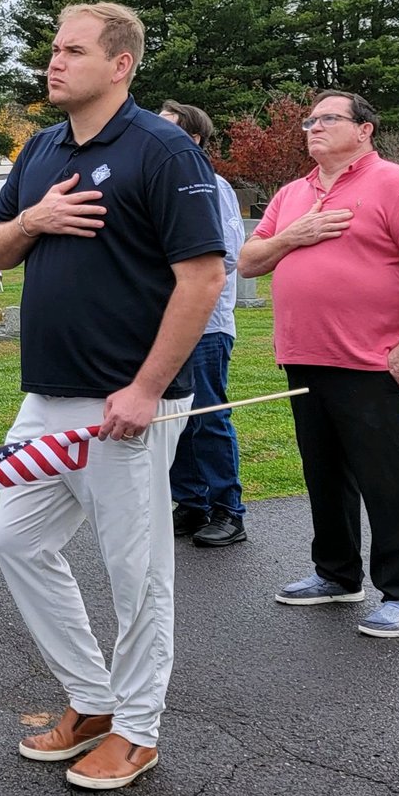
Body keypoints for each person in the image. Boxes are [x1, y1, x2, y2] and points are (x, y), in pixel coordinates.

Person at [0, 3, 225, 791]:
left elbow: (203, 277)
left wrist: (148, 387)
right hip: (46, 395)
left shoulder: (162, 148)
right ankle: (92, 698)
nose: (54, 62)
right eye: (52, 48)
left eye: (73, 50)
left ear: (120, 65)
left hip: (127, 404)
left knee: (136, 570)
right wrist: (36, 217)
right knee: (13, 538)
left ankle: (139, 728)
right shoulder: (43, 147)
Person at [239, 90, 399, 638]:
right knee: (324, 474)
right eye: (309, 120)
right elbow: (248, 261)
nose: (312, 127)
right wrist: (294, 235)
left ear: (365, 129)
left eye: (328, 119)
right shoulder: (291, 194)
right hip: (304, 355)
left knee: (386, 477)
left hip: (372, 360)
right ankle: (337, 574)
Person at [158, 101, 248, 547]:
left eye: (167, 129)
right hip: (162, 325)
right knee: (175, 416)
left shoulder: (212, 186)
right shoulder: (156, 184)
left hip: (206, 325)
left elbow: (228, 254)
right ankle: (191, 504)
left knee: (208, 417)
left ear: (192, 139)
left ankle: (228, 509)